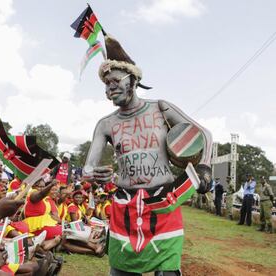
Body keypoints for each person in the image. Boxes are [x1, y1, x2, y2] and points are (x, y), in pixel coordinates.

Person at [83, 34, 213, 275]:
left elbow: (204, 134)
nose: (110, 88)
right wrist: (93, 175)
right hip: (124, 207)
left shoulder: (160, 108)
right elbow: (88, 168)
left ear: (132, 80)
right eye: (106, 84)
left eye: (115, 81)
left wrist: (204, 167)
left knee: (167, 270)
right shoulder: (106, 124)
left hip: (164, 203)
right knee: (121, 270)